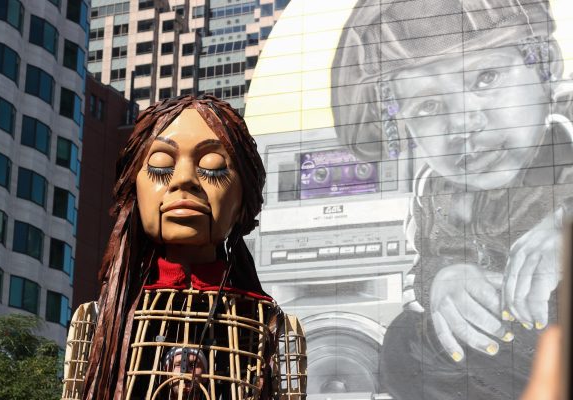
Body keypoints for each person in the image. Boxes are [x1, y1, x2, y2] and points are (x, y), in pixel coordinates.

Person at [332, 0, 573, 398]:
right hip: (508, 356)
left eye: (486, 77)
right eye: (428, 106)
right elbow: (431, 257)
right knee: (407, 341)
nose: (462, 123)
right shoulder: (437, 191)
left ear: (544, 65)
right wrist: (445, 280)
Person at [75, 95, 296, 400]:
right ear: (134, 190)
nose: (184, 180)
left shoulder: (264, 321)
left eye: (213, 166)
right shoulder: (100, 320)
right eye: (161, 165)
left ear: (242, 201)